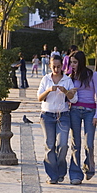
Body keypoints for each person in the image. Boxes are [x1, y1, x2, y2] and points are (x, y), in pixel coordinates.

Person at [37, 55, 78, 184]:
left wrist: (66, 91)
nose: (56, 69)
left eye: (58, 66)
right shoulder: (46, 79)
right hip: (47, 115)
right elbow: (39, 97)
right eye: (54, 66)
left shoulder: (67, 80)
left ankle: (61, 170)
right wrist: (49, 90)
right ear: (50, 66)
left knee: (63, 145)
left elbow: (74, 99)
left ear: (62, 66)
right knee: (49, 145)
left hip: (63, 115)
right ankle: (52, 175)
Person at [68, 51, 97, 185]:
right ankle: (75, 174)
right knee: (75, 143)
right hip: (75, 111)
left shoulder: (92, 75)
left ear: (81, 62)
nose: (73, 65)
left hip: (90, 111)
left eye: (75, 62)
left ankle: (89, 168)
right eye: (71, 62)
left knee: (89, 144)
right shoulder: (70, 76)